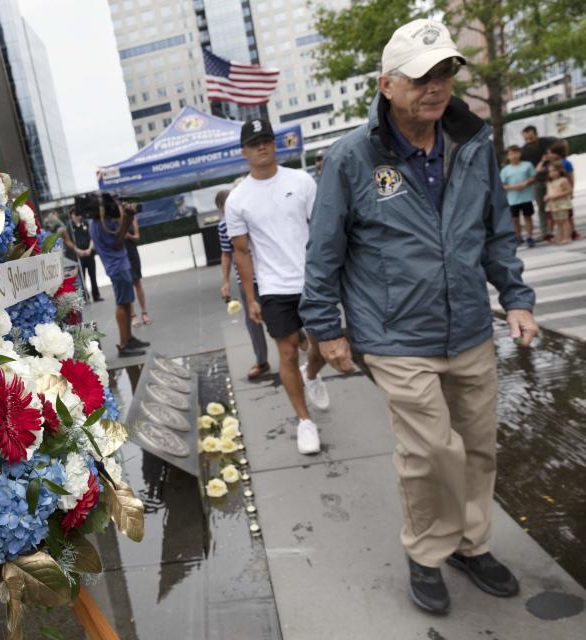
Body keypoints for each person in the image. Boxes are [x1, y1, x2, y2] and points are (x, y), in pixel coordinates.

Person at [301, 19, 538, 615]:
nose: (436, 86)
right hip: (394, 334)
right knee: (433, 450)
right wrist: (325, 327)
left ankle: (470, 543)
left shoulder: (473, 145)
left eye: (445, 73)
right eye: (421, 76)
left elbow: (495, 234)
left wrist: (515, 297)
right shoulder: (352, 158)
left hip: (469, 331)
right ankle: (427, 551)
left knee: (478, 446)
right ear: (386, 85)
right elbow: (324, 248)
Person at [225, 117, 331, 456]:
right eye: (255, 142)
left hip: (312, 281)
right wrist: (251, 297)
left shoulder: (302, 181)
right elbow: (241, 252)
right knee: (285, 352)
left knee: (324, 349)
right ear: (244, 151)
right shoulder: (237, 199)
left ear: (275, 143)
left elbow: (322, 230)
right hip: (273, 288)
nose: (262, 146)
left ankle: (311, 374)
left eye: (267, 139)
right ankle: (304, 422)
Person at [84, 193, 149, 358]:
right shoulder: (100, 224)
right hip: (117, 267)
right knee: (122, 304)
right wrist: (127, 219)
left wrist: (126, 218)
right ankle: (123, 345)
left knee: (127, 303)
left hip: (119, 265)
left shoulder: (98, 223)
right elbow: (118, 241)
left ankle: (129, 339)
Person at [217, 189, 270, 380]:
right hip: (249, 278)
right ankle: (262, 360)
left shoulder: (253, 217)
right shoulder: (224, 226)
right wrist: (225, 281)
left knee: (273, 313)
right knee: (253, 319)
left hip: (269, 274)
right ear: (222, 209)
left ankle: (297, 336)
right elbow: (226, 253)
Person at [520, 125, 558, 240]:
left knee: (556, 205)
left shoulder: (549, 142)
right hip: (537, 181)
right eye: (526, 139)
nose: (529, 141)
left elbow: (561, 147)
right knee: (541, 207)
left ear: (536, 134)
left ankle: (560, 229)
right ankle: (544, 231)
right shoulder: (524, 151)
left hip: (553, 179)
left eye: (531, 138)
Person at [499, 145, 537, 247]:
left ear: (520, 153)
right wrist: (514, 187)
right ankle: (518, 236)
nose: (514, 156)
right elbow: (502, 185)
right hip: (512, 199)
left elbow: (533, 177)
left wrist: (526, 183)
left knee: (527, 217)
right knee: (514, 219)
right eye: (511, 154)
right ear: (508, 156)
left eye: (516, 153)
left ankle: (529, 236)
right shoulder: (505, 170)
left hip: (526, 197)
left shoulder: (527, 165)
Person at [64, 209, 103, 302]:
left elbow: (92, 237)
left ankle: (96, 295)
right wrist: (77, 250)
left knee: (93, 276)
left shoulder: (85, 223)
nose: (77, 216)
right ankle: (85, 296)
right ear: (72, 216)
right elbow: (67, 241)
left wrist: (90, 248)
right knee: (82, 278)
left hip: (89, 254)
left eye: (78, 214)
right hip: (79, 256)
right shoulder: (69, 227)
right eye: (75, 214)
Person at [543, 140, 578, 240]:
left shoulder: (566, 163)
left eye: (550, 153)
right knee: (558, 217)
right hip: (555, 194)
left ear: (556, 153)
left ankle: (572, 232)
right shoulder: (551, 164)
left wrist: (571, 190)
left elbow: (571, 177)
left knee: (568, 215)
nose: (548, 155)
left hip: (563, 191)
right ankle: (563, 234)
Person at [124, 217, 150, 326]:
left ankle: (144, 313)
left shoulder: (131, 218)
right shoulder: (112, 221)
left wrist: (128, 236)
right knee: (127, 285)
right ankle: (133, 316)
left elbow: (137, 237)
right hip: (121, 256)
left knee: (137, 283)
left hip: (133, 253)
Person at [545, 162, 574, 244]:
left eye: (554, 170)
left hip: (562, 204)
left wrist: (557, 196)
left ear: (560, 170)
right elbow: (549, 192)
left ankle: (566, 237)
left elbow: (569, 190)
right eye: (550, 171)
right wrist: (547, 196)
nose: (552, 173)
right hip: (553, 205)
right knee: (557, 221)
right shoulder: (549, 182)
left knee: (565, 220)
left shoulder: (563, 180)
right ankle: (561, 236)